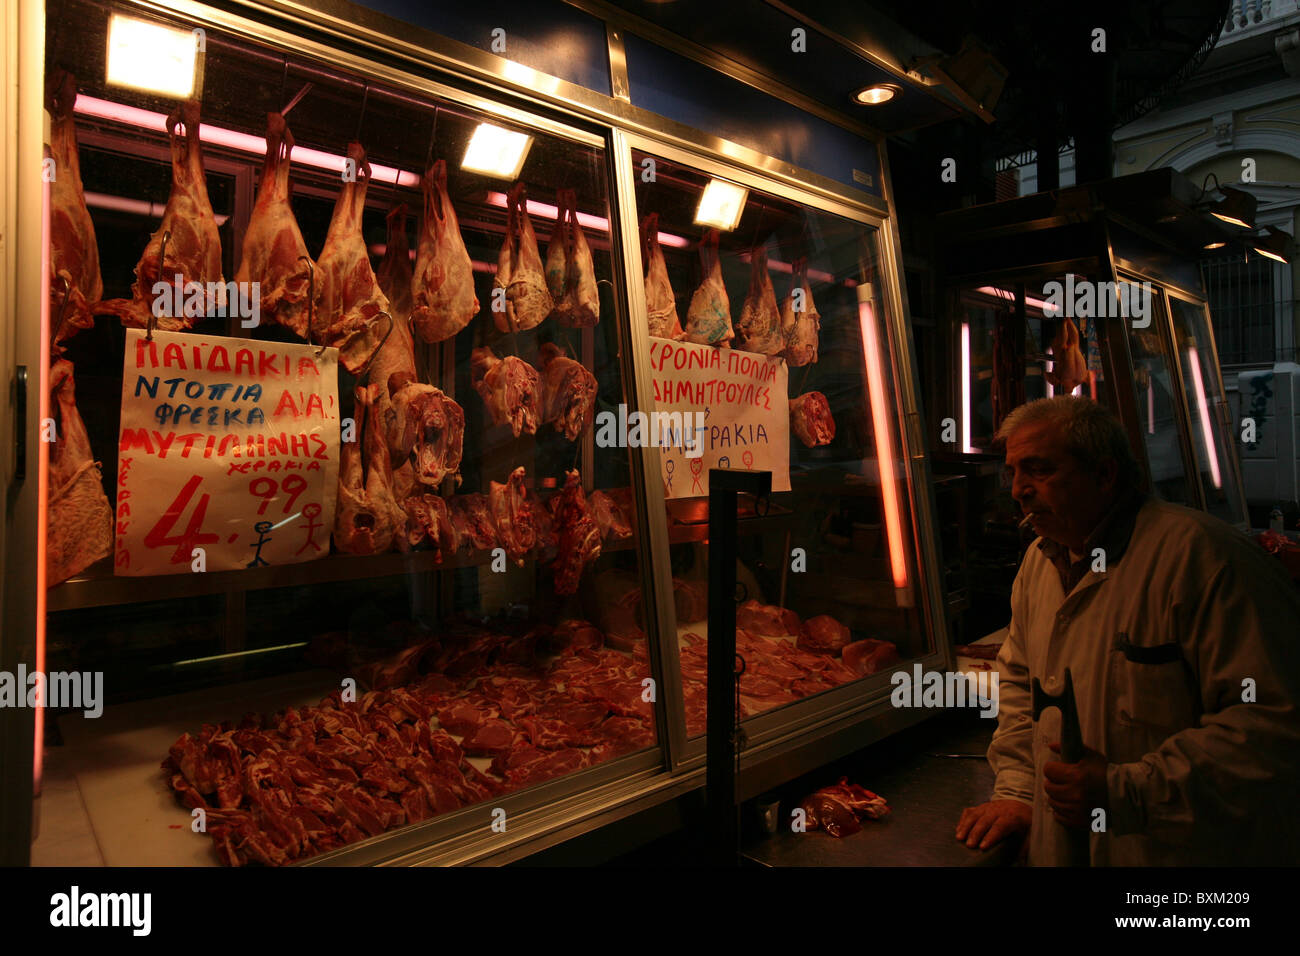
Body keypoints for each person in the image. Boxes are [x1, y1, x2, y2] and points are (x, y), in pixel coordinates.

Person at [955, 396, 1300, 864]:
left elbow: (1270, 723)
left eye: (1038, 470)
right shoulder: (1042, 561)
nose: (1018, 490)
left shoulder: (1203, 559)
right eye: (1012, 473)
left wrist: (1126, 791)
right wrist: (1019, 790)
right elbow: (1020, 684)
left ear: (1104, 474)